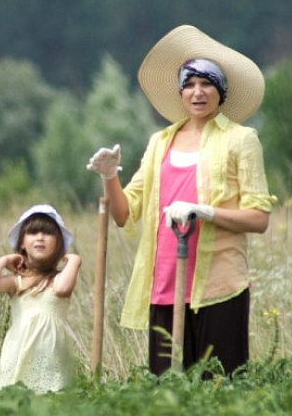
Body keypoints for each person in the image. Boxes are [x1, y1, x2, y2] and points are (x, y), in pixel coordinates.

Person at [86, 25, 276, 376]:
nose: (197, 92)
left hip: (219, 287)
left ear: (221, 91)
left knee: (220, 385)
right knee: (167, 392)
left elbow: (258, 217)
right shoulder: (160, 142)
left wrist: (205, 212)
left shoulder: (241, 139)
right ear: (180, 92)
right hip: (165, 285)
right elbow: (124, 213)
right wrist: (110, 177)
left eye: (207, 83)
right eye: (189, 84)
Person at [0, 204, 82, 392]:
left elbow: (62, 289)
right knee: (16, 401)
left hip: (51, 357)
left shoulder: (58, 279)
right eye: (33, 233)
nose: (40, 237)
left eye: (48, 233)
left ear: (59, 244)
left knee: (51, 401)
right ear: (21, 243)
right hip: (18, 353)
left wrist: (74, 261)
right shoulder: (18, 282)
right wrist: (4, 260)